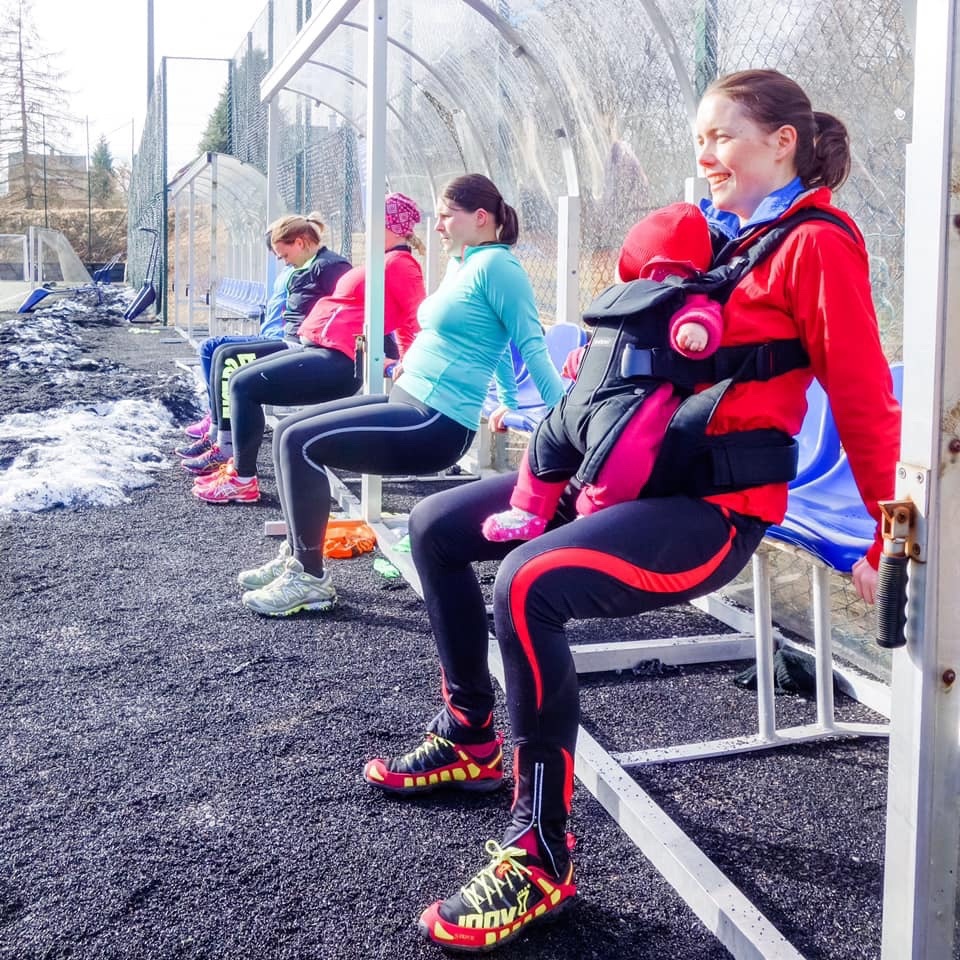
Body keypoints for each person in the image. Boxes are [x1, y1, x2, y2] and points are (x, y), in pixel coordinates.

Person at [361, 69, 902, 952]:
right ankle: (469, 734)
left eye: (722, 136)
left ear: (783, 142)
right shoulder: (713, 241)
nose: (706, 154)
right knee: (438, 529)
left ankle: (541, 852)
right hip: (625, 478)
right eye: (700, 138)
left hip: (713, 508)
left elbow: (864, 398)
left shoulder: (817, 244)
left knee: (529, 585)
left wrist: (884, 529)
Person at [237, 174, 566, 614]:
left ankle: (309, 578)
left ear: (480, 217)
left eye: (446, 216)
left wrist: (564, 420)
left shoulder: (499, 268)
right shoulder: (463, 263)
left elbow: (528, 344)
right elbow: (496, 338)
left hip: (437, 421)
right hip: (409, 398)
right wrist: (505, 396)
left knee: (301, 443)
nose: (437, 225)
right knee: (287, 432)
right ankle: (299, 554)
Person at [482, 201, 723, 542]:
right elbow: (608, 340)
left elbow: (705, 314)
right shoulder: (621, 299)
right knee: (544, 442)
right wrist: (583, 358)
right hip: (582, 401)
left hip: (631, 404)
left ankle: (593, 517)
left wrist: (695, 329)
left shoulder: (685, 295)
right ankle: (527, 510)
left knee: (624, 457)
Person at [192, 193, 427, 504]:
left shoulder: (401, 264)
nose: (367, 228)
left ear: (391, 226)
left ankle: (243, 479)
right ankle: (238, 470)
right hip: (319, 348)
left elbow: (413, 319)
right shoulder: (384, 260)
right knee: (238, 377)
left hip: (339, 361)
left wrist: (405, 364)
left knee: (244, 385)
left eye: (374, 221)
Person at [176, 213, 351, 475]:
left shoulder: (331, 267)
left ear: (300, 242)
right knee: (218, 350)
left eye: (284, 255)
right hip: (292, 340)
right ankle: (217, 433)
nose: (284, 261)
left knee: (229, 358)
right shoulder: (308, 265)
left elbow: (351, 309)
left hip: (303, 346)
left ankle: (226, 447)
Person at [178, 236, 292, 445]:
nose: (280, 258)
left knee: (216, 350)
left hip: (280, 340)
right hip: (269, 334)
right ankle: (216, 416)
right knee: (209, 348)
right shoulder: (289, 270)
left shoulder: (306, 271)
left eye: (282, 253)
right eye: (277, 254)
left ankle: (222, 423)